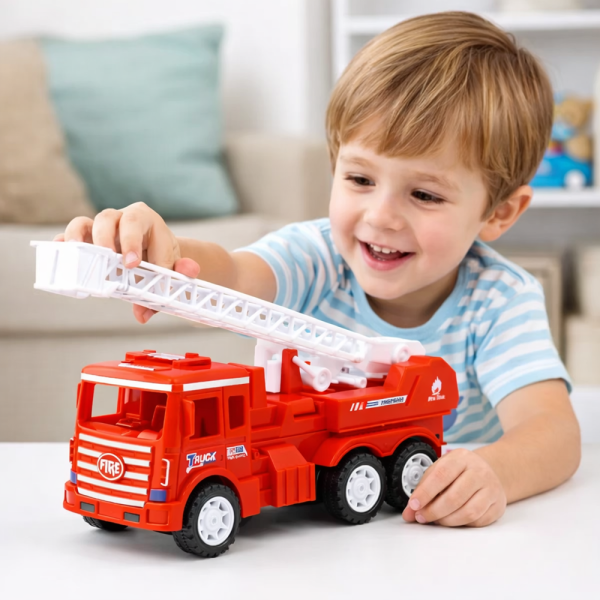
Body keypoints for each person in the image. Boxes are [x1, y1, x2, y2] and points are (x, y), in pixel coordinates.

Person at [55, 11, 580, 528]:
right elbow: (234, 277)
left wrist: (495, 472)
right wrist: (164, 253)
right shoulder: (314, 256)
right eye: (360, 179)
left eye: (424, 194)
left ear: (499, 212)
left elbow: (553, 431)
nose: (380, 216)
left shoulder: (501, 301)